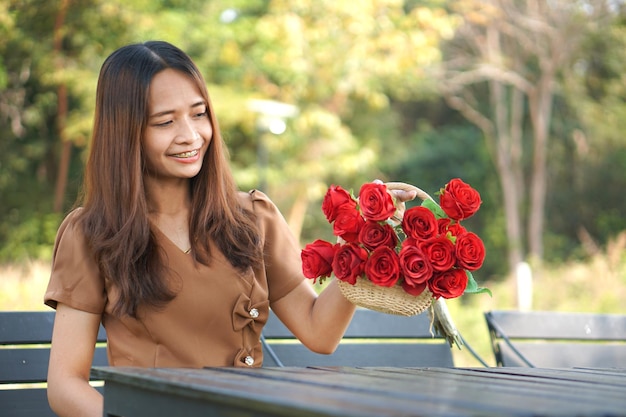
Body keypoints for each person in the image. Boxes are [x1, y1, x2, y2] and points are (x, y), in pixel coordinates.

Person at [44, 40, 415, 417]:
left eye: (199, 114)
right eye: (165, 121)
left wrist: (363, 246)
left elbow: (320, 334)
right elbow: (65, 384)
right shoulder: (91, 234)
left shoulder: (252, 217)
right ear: (125, 132)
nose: (190, 135)